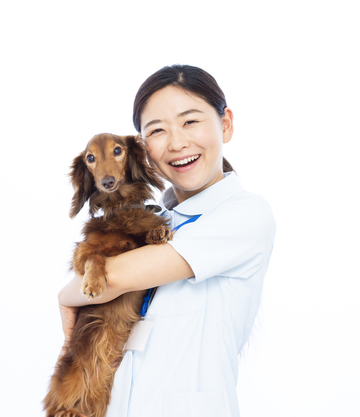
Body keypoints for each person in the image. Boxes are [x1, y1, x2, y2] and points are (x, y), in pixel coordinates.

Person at [57, 65, 276, 417]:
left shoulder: (246, 215)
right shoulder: (155, 220)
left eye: (190, 121)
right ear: (143, 149)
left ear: (225, 124)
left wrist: (65, 297)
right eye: (157, 130)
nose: (176, 143)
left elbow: (112, 277)